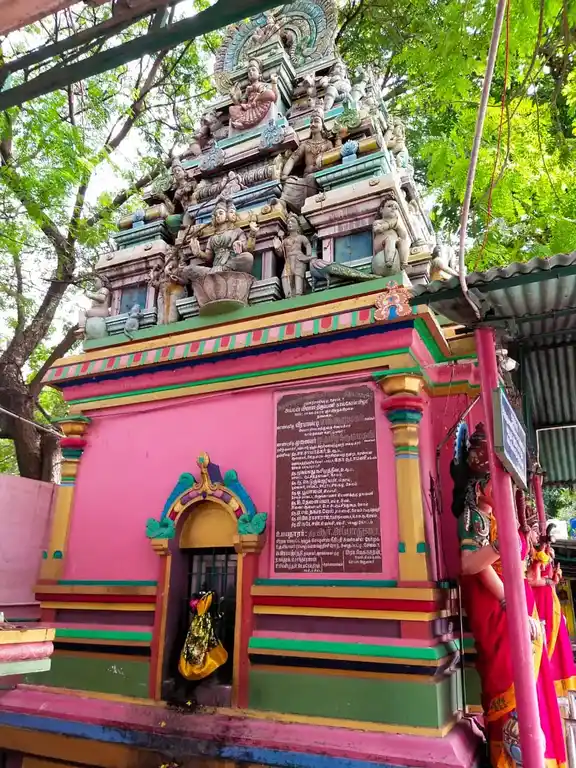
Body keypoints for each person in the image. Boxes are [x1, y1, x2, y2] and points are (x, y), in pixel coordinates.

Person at [451, 422, 566, 766]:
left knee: (526, 680)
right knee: (509, 678)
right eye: (494, 479)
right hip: (496, 608)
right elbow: (471, 565)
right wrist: (509, 602)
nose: (498, 486)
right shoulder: (473, 518)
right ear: (481, 482)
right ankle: (509, 755)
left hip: (511, 605)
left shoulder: (497, 519)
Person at [528, 520, 576, 697]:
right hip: (538, 602)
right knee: (544, 642)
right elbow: (532, 580)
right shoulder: (532, 553)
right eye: (533, 530)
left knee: (556, 642)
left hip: (549, 600)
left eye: (536, 530)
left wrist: (553, 577)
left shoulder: (542, 552)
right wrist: (551, 581)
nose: (535, 534)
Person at [179, 591, 228, 681]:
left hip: (198, 627)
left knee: (198, 648)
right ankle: (199, 669)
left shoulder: (201, 603)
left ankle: (196, 669)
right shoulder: (207, 599)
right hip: (203, 627)